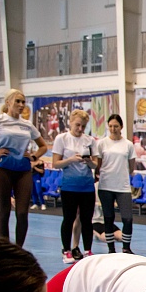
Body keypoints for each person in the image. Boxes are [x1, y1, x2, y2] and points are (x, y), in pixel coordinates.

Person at [0, 88, 48, 246]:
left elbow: (43, 146)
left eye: (23, 102)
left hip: (23, 171)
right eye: (18, 101)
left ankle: (19, 248)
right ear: (8, 102)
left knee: (22, 213)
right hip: (3, 170)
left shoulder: (27, 125)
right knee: (4, 213)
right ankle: (6, 248)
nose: (21, 105)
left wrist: (34, 156)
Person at [52, 110, 99, 264]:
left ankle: (87, 250)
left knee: (87, 219)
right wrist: (71, 159)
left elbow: (95, 164)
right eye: (78, 125)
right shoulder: (62, 139)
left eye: (83, 126)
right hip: (69, 186)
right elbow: (55, 163)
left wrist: (89, 162)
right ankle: (66, 250)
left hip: (87, 186)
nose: (80, 129)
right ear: (71, 122)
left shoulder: (90, 140)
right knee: (69, 218)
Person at [97, 114, 136, 254]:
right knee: (108, 218)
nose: (113, 129)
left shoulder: (128, 145)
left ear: (121, 127)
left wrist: (121, 173)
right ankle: (111, 249)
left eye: (116, 126)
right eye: (111, 126)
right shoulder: (101, 144)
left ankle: (126, 248)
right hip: (106, 186)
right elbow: (98, 165)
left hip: (122, 187)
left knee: (127, 218)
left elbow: (131, 167)